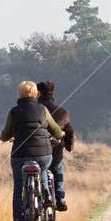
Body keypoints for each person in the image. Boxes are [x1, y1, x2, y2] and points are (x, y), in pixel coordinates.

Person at [0, 80, 64, 221]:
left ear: (19, 94)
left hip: (20, 154)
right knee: (42, 171)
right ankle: (47, 196)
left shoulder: (13, 112)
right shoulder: (43, 109)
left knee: (18, 188)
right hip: (43, 153)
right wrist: (60, 135)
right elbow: (55, 130)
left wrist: (3, 137)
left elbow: (6, 134)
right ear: (36, 94)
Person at [35, 80, 75, 211]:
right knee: (57, 168)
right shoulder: (62, 111)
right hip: (56, 149)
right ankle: (60, 198)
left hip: (37, 149)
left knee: (39, 170)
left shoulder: (35, 110)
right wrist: (69, 146)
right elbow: (69, 131)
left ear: (38, 93)